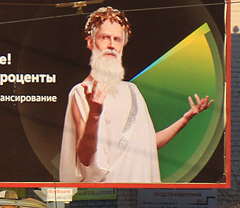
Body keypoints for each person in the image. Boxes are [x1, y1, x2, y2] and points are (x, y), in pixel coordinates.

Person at [59, 6, 212, 183]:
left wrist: (186, 118)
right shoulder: (79, 92)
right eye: (105, 38)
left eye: (117, 39)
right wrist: (94, 113)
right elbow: (85, 159)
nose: (111, 45)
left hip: (140, 192)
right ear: (91, 43)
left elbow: (147, 145)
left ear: (123, 45)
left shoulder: (132, 91)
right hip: (108, 192)